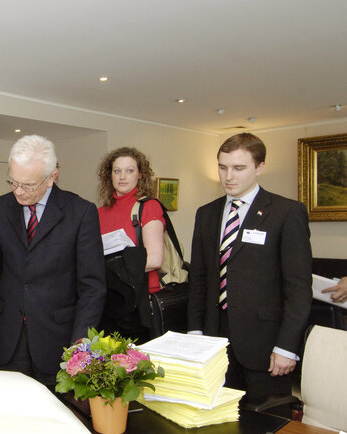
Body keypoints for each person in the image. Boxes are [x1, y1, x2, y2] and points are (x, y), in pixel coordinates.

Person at [188, 133, 312, 414]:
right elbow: (199, 279)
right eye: (223, 167)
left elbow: (298, 288)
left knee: (269, 427)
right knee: (220, 424)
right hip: (214, 343)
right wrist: (195, 331)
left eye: (239, 168)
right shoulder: (206, 213)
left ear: (260, 167)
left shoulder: (286, 212)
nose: (228, 176)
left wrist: (286, 347)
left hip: (265, 345)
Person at [0, 135, 106, 387]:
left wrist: (81, 340)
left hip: (60, 338)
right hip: (9, 336)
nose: (17, 191)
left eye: (27, 185)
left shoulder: (80, 213)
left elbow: (92, 286)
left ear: (52, 177)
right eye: (13, 182)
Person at [97, 147, 165, 341]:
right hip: (109, 301)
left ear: (140, 174)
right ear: (109, 175)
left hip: (139, 302)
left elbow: (154, 259)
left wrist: (111, 267)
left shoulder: (148, 206)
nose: (122, 177)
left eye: (129, 170)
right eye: (117, 171)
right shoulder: (99, 212)